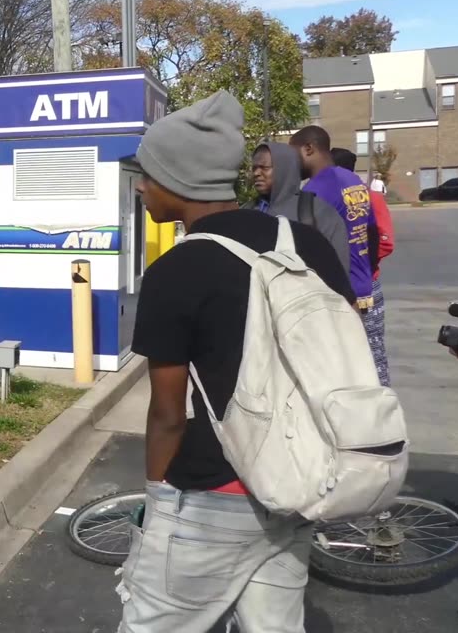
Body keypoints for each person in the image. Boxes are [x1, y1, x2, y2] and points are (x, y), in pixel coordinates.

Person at [120, 91, 355, 632]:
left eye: (147, 174)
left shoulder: (175, 271)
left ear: (178, 181)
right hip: (299, 483)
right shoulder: (304, 243)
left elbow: (168, 415)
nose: (140, 185)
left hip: (210, 493)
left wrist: (159, 504)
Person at [291, 127, 383, 383]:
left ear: (309, 149)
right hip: (367, 287)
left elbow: (314, 247)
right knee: (374, 368)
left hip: (340, 295)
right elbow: (372, 232)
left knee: (341, 375)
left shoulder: (315, 191)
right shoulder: (354, 181)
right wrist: (367, 269)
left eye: (293, 153)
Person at [333, 148, 394, 385]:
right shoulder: (330, 200)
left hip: (367, 286)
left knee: (373, 348)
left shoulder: (371, 198)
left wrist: (362, 261)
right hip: (338, 286)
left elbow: (386, 242)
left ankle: (382, 399)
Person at [248, 142, 350, 276]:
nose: (256, 173)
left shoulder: (317, 212)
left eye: (264, 168)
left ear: (284, 169)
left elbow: (339, 271)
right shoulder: (247, 211)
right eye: (254, 168)